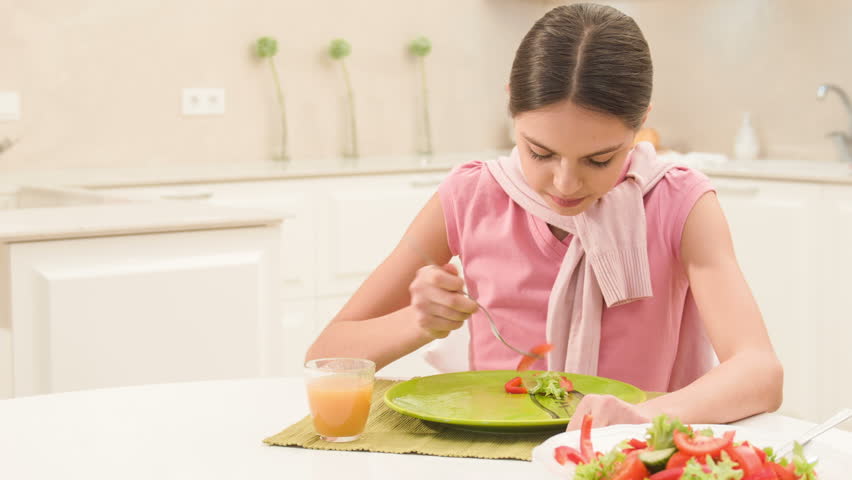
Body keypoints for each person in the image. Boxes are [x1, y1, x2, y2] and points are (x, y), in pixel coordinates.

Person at [306, 3, 783, 430]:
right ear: (512, 103)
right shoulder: (470, 197)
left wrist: (641, 418)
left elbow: (759, 371)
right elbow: (327, 355)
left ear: (640, 126)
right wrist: (419, 321)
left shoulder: (680, 202)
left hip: (627, 454)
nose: (565, 184)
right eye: (540, 152)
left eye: (600, 159)